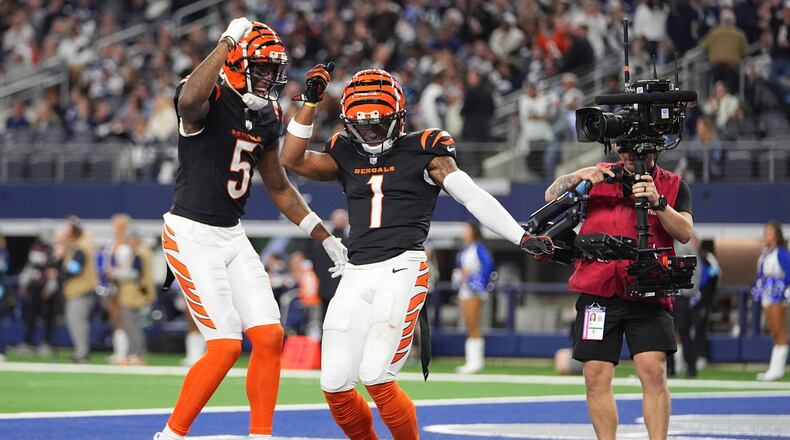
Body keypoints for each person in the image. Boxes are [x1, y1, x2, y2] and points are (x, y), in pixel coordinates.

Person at [281, 66, 553, 439]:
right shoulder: (344, 150)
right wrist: (310, 102)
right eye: (362, 125)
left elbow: (471, 195)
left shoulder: (426, 148)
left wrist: (519, 236)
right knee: (335, 384)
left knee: (377, 375)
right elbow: (291, 158)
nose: (371, 132)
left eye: (379, 124)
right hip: (355, 272)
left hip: (401, 267)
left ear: (399, 117)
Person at [154, 18, 347, 440]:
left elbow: (278, 185)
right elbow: (188, 101)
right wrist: (227, 40)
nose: (268, 79)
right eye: (260, 68)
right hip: (191, 234)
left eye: (272, 71)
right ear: (237, 61)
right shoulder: (210, 93)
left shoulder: (267, 114)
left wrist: (324, 236)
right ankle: (171, 435)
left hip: (231, 235)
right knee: (224, 346)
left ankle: (261, 434)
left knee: (269, 336)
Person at [544, 148, 694, 440]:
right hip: (597, 289)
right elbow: (551, 196)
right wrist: (578, 176)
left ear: (655, 148)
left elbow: (685, 232)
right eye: (622, 148)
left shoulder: (673, 183)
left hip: (648, 287)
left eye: (636, 150)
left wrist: (658, 202)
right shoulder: (600, 175)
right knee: (594, 375)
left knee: (653, 372)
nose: (628, 155)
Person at [452, 222, 494, 374]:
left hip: (474, 290)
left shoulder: (479, 248)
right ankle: (471, 360)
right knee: (469, 325)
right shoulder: (465, 249)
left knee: (473, 323)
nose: (465, 232)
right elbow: (459, 267)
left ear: (474, 232)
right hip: (464, 289)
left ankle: (476, 362)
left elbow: (488, 265)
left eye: (467, 230)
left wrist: (475, 280)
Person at [57, 217, 100, 363]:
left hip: (81, 291)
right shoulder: (80, 245)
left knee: (78, 323)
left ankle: (82, 353)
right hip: (80, 291)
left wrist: (60, 274)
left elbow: (75, 269)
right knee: (77, 322)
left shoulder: (81, 247)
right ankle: (81, 351)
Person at [752, 221, 790, 381]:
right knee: (773, 329)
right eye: (765, 231)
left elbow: (788, 272)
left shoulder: (781, 253)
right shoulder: (765, 253)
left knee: (780, 330)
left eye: (769, 232)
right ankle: (774, 367)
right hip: (766, 293)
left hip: (777, 293)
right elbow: (760, 274)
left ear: (776, 234)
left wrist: (783, 291)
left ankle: (778, 368)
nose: (766, 235)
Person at [16, 236, 59, 356]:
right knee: (30, 316)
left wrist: (49, 289)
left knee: (48, 317)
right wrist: (24, 282)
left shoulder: (51, 250)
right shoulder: (35, 248)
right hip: (34, 288)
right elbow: (30, 266)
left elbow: (52, 271)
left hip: (45, 288)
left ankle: (46, 343)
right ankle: (27, 343)